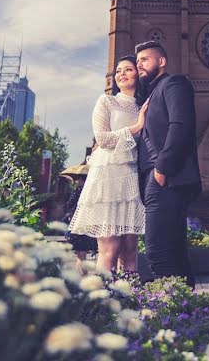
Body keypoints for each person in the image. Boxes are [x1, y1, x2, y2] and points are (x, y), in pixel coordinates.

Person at [67, 55, 148, 275]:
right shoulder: (106, 101)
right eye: (118, 70)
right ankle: (103, 303)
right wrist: (137, 126)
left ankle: (129, 301)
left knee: (131, 250)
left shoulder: (143, 105)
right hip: (108, 177)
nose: (121, 73)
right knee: (110, 249)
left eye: (128, 69)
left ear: (138, 75)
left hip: (132, 180)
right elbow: (102, 139)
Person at [134, 40, 202, 287]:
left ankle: (168, 311)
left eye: (145, 59)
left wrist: (162, 168)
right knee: (174, 250)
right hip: (156, 178)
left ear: (161, 61)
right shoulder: (150, 94)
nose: (139, 64)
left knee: (158, 252)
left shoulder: (174, 83)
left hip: (166, 177)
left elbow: (180, 125)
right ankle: (185, 312)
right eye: (138, 60)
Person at [60, 164, 97, 272]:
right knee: (84, 253)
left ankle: (82, 277)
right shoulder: (92, 191)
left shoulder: (78, 190)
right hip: (89, 223)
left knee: (80, 255)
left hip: (78, 223)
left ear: (81, 179)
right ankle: (85, 276)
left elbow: (70, 204)